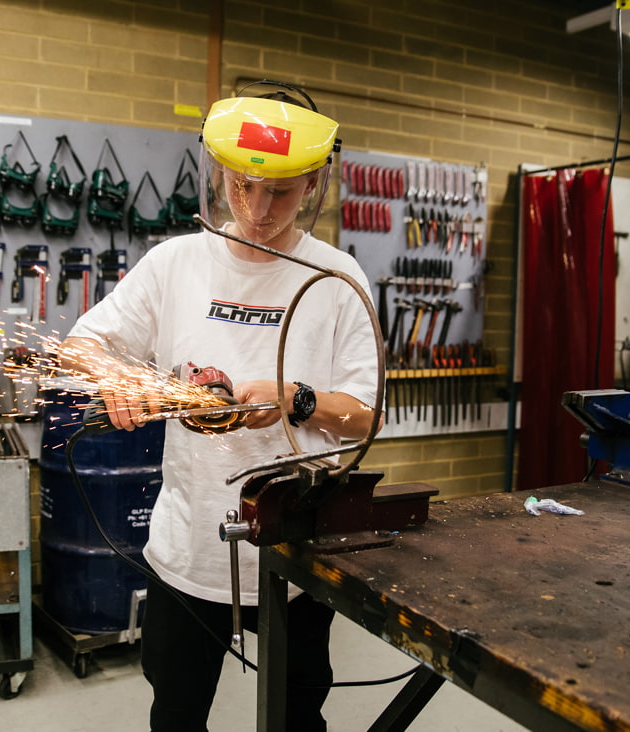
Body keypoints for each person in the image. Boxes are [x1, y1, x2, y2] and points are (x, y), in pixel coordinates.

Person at [59, 80, 380, 732]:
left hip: (294, 554)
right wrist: (114, 376)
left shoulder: (339, 280)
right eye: (242, 186)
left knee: (295, 718)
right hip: (188, 553)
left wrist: (298, 399)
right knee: (175, 717)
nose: (258, 208)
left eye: (281, 191)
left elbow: (365, 417)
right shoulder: (176, 263)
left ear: (314, 183)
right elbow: (78, 346)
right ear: (220, 175)